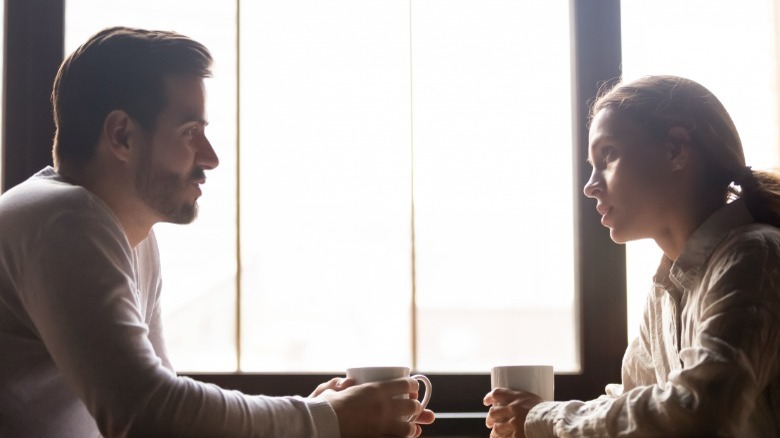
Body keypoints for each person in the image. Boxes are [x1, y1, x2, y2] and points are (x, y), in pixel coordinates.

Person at [0, 26, 434, 437]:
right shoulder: (62, 219)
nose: (210, 157)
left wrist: (320, 411)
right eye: (190, 132)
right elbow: (148, 414)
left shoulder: (130, 237)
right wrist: (325, 419)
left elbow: (169, 419)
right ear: (122, 135)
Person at [483, 74, 780, 437]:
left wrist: (542, 418)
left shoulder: (754, 256)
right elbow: (631, 403)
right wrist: (529, 418)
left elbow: (699, 410)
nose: (590, 186)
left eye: (607, 155)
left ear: (675, 150)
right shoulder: (665, 291)